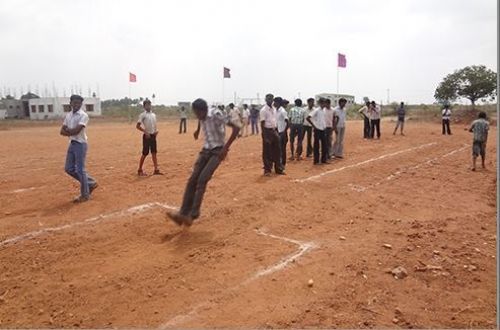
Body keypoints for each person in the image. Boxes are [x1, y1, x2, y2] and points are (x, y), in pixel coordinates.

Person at [166, 98, 240, 226]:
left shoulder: (216, 115)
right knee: (192, 180)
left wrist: (225, 148)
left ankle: (193, 215)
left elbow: (236, 128)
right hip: (205, 150)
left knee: (202, 179)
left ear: (203, 110)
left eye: (197, 113)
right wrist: (197, 130)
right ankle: (182, 214)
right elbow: (202, 121)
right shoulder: (202, 116)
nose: (196, 116)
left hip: (217, 151)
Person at [59, 94, 98, 203]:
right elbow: (61, 131)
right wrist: (69, 132)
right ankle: (90, 183)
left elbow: (77, 131)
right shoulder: (69, 115)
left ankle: (85, 195)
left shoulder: (83, 115)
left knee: (80, 169)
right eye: (75, 103)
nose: (77, 105)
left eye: (79, 103)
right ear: (70, 103)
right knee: (68, 168)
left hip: (81, 144)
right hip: (72, 143)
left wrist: (68, 131)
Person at [136, 99, 162, 176]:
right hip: (147, 136)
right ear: (144, 106)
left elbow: (154, 125)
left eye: (149, 104)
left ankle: (156, 169)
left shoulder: (153, 115)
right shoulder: (143, 115)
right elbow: (137, 126)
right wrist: (145, 131)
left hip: (153, 136)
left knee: (154, 152)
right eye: (146, 105)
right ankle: (140, 170)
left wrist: (156, 131)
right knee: (145, 153)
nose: (148, 106)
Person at [260, 93, 285, 176]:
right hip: (267, 131)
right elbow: (262, 123)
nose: (270, 100)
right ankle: (267, 170)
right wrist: (264, 135)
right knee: (267, 151)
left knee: (278, 150)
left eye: (271, 98)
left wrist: (277, 130)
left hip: (274, 130)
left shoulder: (274, 109)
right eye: (268, 99)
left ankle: (279, 169)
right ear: (266, 100)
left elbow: (275, 121)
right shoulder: (263, 110)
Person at [307, 98, 328, 165]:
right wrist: (314, 125)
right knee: (316, 146)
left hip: (323, 129)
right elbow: (308, 118)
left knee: (324, 145)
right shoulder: (316, 110)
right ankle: (316, 161)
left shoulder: (324, 110)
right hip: (317, 129)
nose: (325, 104)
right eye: (324, 103)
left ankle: (323, 160)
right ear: (321, 103)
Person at [275, 97, 289, 168]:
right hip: (277, 131)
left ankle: (283, 163)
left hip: (282, 132)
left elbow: (288, 122)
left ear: (278, 103)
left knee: (282, 149)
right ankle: (279, 163)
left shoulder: (282, 111)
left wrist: (284, 131)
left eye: (275, 102)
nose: (274, 103)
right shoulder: (275, 111)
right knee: (277, 149)